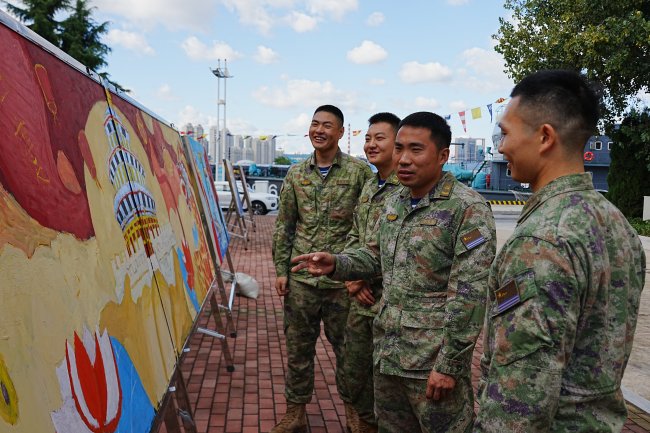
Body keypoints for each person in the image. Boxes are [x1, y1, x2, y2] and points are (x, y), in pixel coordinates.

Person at [291, 111, 496, 433]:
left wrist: (450, 365)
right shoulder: (395, 202)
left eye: (416, 149)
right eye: (399, 148)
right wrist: (337, 263)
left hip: (430, 364)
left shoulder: (467, 209)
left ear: (443, 155)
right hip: (387, 354)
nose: (403, 159)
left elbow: (470, 294)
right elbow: (375, 255)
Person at [474, 70, 646, 432]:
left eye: (506, 133)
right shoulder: (617, 224)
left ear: (544, 137)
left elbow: (521, 399)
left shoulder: (541, 240)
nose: (501, 147)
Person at [271, 104, 373, 433]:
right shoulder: (296, 174)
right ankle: (295, 413)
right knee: (298, 348)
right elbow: (284, 225)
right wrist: (281, 269)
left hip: (342, 282)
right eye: (315, 124)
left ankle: (354, 414)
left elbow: (369, 227)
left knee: (350, 353)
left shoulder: (359, 173)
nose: (319, 130)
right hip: (301, 280)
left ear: (341, 132)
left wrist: (358, 274)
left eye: (327, 125)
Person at [340, 112, 401, 433]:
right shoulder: (368, 186)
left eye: (380, 138)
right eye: (368, 138)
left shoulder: (406, 189)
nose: (371, 144)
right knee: (354, 374)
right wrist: (351, 278)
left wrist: (362, 275)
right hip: (359, 300)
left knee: (387, 383)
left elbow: (399, 249)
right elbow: (355, 234)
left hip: (387, 304)